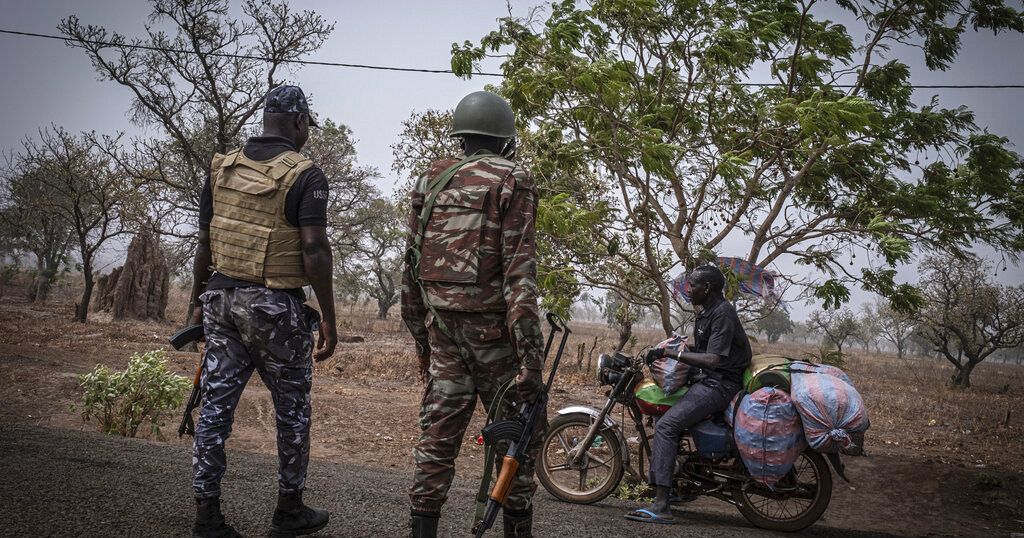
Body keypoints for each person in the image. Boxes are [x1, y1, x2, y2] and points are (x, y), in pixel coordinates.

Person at [188, 84, 337, 538]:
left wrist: (194, 307)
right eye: (307, 124)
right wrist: (329, 316)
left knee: (214, 410)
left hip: (221, 302)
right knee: (292, 410)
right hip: (275, 308)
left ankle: (207, 516)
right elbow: (313, 249)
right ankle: (288, 511)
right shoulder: (307, 176)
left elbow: (206, 243)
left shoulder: (222, 168)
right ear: (299, 123)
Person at [401, 90, 546, 538]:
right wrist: (531, 362)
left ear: (461, 136)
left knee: (438, 439)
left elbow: (409, 269)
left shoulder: (432, 179)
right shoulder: (513, 179)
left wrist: (423, 342)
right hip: (496, 339)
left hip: (442, 331)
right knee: (519, 435)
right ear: (505, 139)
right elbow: (519, 278)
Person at [625, 265, 752, 525]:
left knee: (668, 425)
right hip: (708, 380)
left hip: (719, 385)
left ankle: (662, 506)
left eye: (692, 285)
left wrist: (672, 355)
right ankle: (675, 486)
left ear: (707, 288)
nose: (688, 289)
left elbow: (713, 358)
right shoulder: (707, 313)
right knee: (663, 419)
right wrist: (670, 346)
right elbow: (703, 348)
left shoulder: (723, 313)